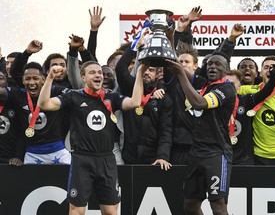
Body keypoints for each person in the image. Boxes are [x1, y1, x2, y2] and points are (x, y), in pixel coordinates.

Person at [37, 60, 146, 215]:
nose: (98, 75)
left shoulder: (111, 97)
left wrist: (140, 72)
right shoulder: (72, 96)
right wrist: (49, 78)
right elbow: (44, 104)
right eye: (92, 72)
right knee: (77, 211)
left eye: (99, 72)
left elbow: (135, 102)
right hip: (82, 159)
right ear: (83, 77)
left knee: (110, 211)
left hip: (107, 160)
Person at [166, 53, 236, 215]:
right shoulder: (203, 83)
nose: (212, 66)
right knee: (190, 205)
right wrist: (170, 35)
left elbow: (199, 103)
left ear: (226, 69)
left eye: (217, 64)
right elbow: (178, 68)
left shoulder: (226, 88)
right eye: (209, 64)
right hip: (196, 152)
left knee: (218, 206)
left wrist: (180, 74)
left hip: (217, 153)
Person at [1, 61, 71, 164]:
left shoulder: (56, 91)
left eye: (35, 78)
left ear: (43, 79)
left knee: (64, 180)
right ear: (23, 80)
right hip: (32, 154)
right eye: (27, 79)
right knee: (31, 180)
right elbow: (2, 92)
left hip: (58, 152)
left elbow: (78, 96)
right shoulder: (18, 94)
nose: (32, 82)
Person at [115, 47, 173, 169]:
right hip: (127, 156)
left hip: (152, 158)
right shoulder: (129, 89)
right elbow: (120, 69)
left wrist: (162, 156)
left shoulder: (163, 97)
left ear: (157, 74)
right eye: (144, 68)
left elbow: (166, 130)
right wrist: (135, 46)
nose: (146, 72)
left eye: (151, 70)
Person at [238, 56, 275, 165]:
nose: (270, 70)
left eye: (273, 67)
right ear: (260, 73)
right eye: (266, 67)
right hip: (258, 156)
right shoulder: (246, 90)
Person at [226, 67, 275, 165]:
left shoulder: (246, 101)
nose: (228, 87)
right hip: (221, 157)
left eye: (232, 84)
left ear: (239, 87)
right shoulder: (214, 104)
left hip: (244, 159)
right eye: (225, 84)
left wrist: (274, 76)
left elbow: (265, 92)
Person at [0, 70, 23, 166]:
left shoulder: (16, 102)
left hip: (10, 160)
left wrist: (19, 156)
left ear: (6, 81)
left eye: (0, 79)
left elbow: (21, 133)